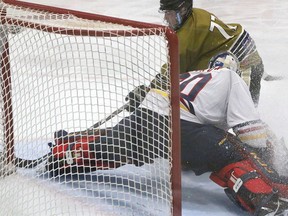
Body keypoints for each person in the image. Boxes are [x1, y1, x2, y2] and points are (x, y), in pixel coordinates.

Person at [49, 53, 288, 215]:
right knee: (234, 153)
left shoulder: (190, 75)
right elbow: (251, 135)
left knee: (113, 146)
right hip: (180, 126)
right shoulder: (230, 77)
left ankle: (66, 153)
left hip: (144, 116)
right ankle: (264, 197)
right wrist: (269, 161)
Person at [158, 0, 266, 106]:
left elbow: (171, 74)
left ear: (182, 10)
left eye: (169, 13)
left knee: (243, 115)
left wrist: (147, 90)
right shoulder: (196, 14)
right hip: (243, 55)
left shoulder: (185, 38)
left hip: (245, 65)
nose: (165, 18)